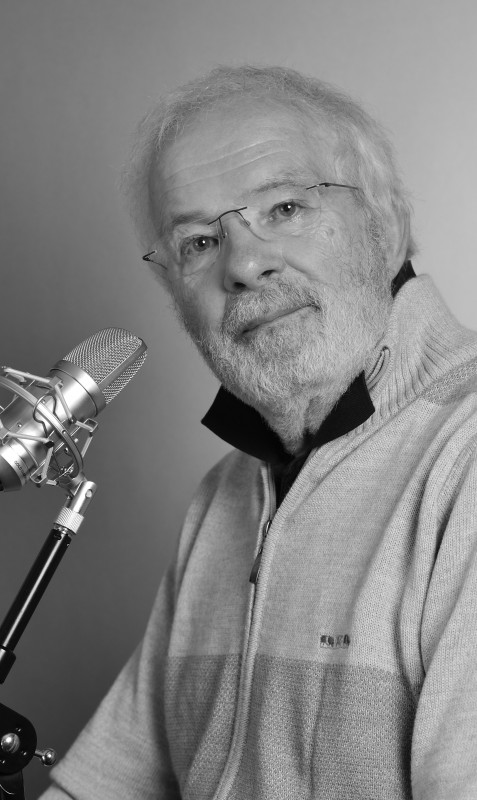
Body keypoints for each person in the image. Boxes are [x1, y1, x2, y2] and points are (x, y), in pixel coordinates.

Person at [40, 65, 477, 799]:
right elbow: (111, 780)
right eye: (198, 243)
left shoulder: (465, 459)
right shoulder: (227, 494)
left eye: (284, 207)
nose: (243, 265)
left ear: (388, 223)